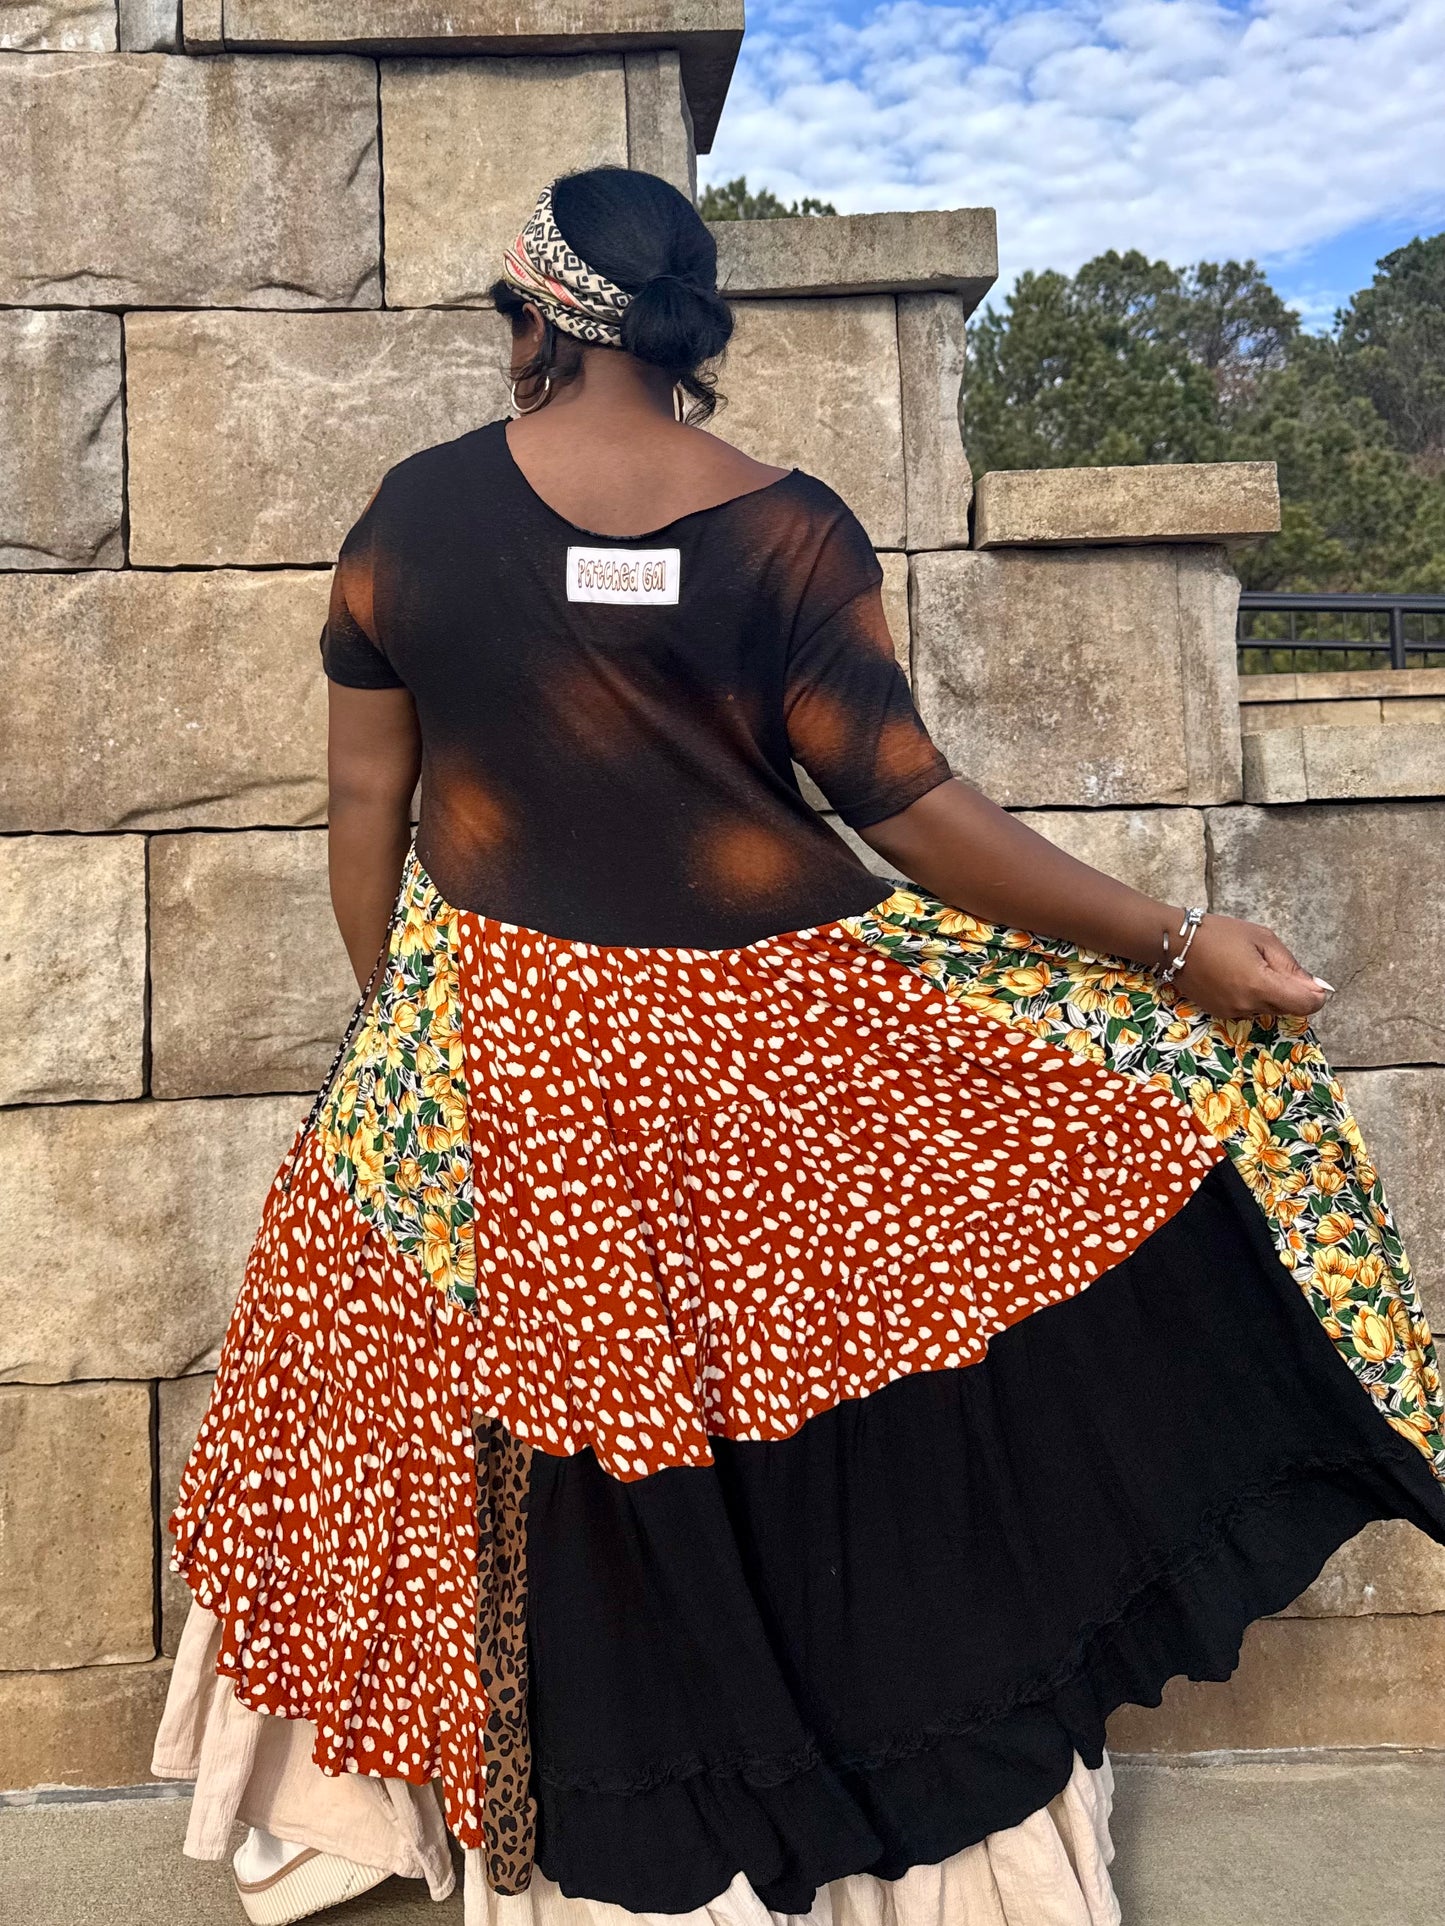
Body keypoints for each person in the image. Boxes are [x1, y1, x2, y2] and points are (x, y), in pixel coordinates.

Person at [151, 165, 1445, 1926]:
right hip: (760, 1046)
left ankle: (427, 1812)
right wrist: (1172, 943)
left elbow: (364, 815)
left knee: (427, 1390)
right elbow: (907, 810)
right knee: (799, 1403)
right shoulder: (789, 531)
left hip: (492, 1048)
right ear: (684, 331)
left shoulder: (410, 517)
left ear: (538, 319)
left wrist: (414, 1031)